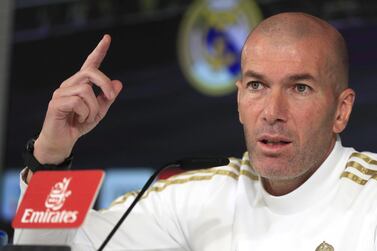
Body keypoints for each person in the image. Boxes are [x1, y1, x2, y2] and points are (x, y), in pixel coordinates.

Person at [13, 12, 377, 250]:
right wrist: (51, 157)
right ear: (238, 100)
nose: (272, 113)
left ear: (341, 111)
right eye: (256, 86)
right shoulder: (199, 197)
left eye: (300, 88)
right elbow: (51, 245)